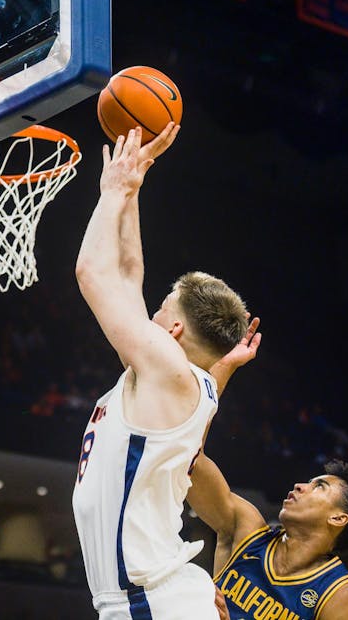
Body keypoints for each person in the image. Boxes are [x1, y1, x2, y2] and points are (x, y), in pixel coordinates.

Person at [71, 124, 261, 619]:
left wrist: (112, 189)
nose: (147, 315)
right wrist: (132, 191)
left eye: (159, 308)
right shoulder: (176, 379)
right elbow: (130, 273)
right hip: (152, 599)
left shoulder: (167, 369)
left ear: (174, 329)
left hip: (149, 601)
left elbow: (93, 273)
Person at [188, 451, 348, 620]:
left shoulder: (340, 594)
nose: (300, 485)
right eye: (309, 482)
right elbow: (191, 460)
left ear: (338, 518)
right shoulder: (246, 529)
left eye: (319, 487)